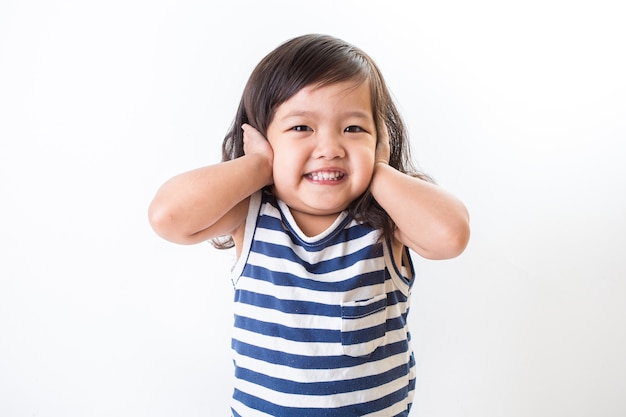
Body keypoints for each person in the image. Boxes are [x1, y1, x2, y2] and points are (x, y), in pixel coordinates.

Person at [149, 33, 470, 417]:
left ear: (379, 139)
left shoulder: (385, 220)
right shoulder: (251, 215)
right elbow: (167, 217)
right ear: (262, 139)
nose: (330, 147)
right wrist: (257, 166)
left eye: (354, 129)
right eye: (302, 128)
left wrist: (379, 172)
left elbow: (451, 235)